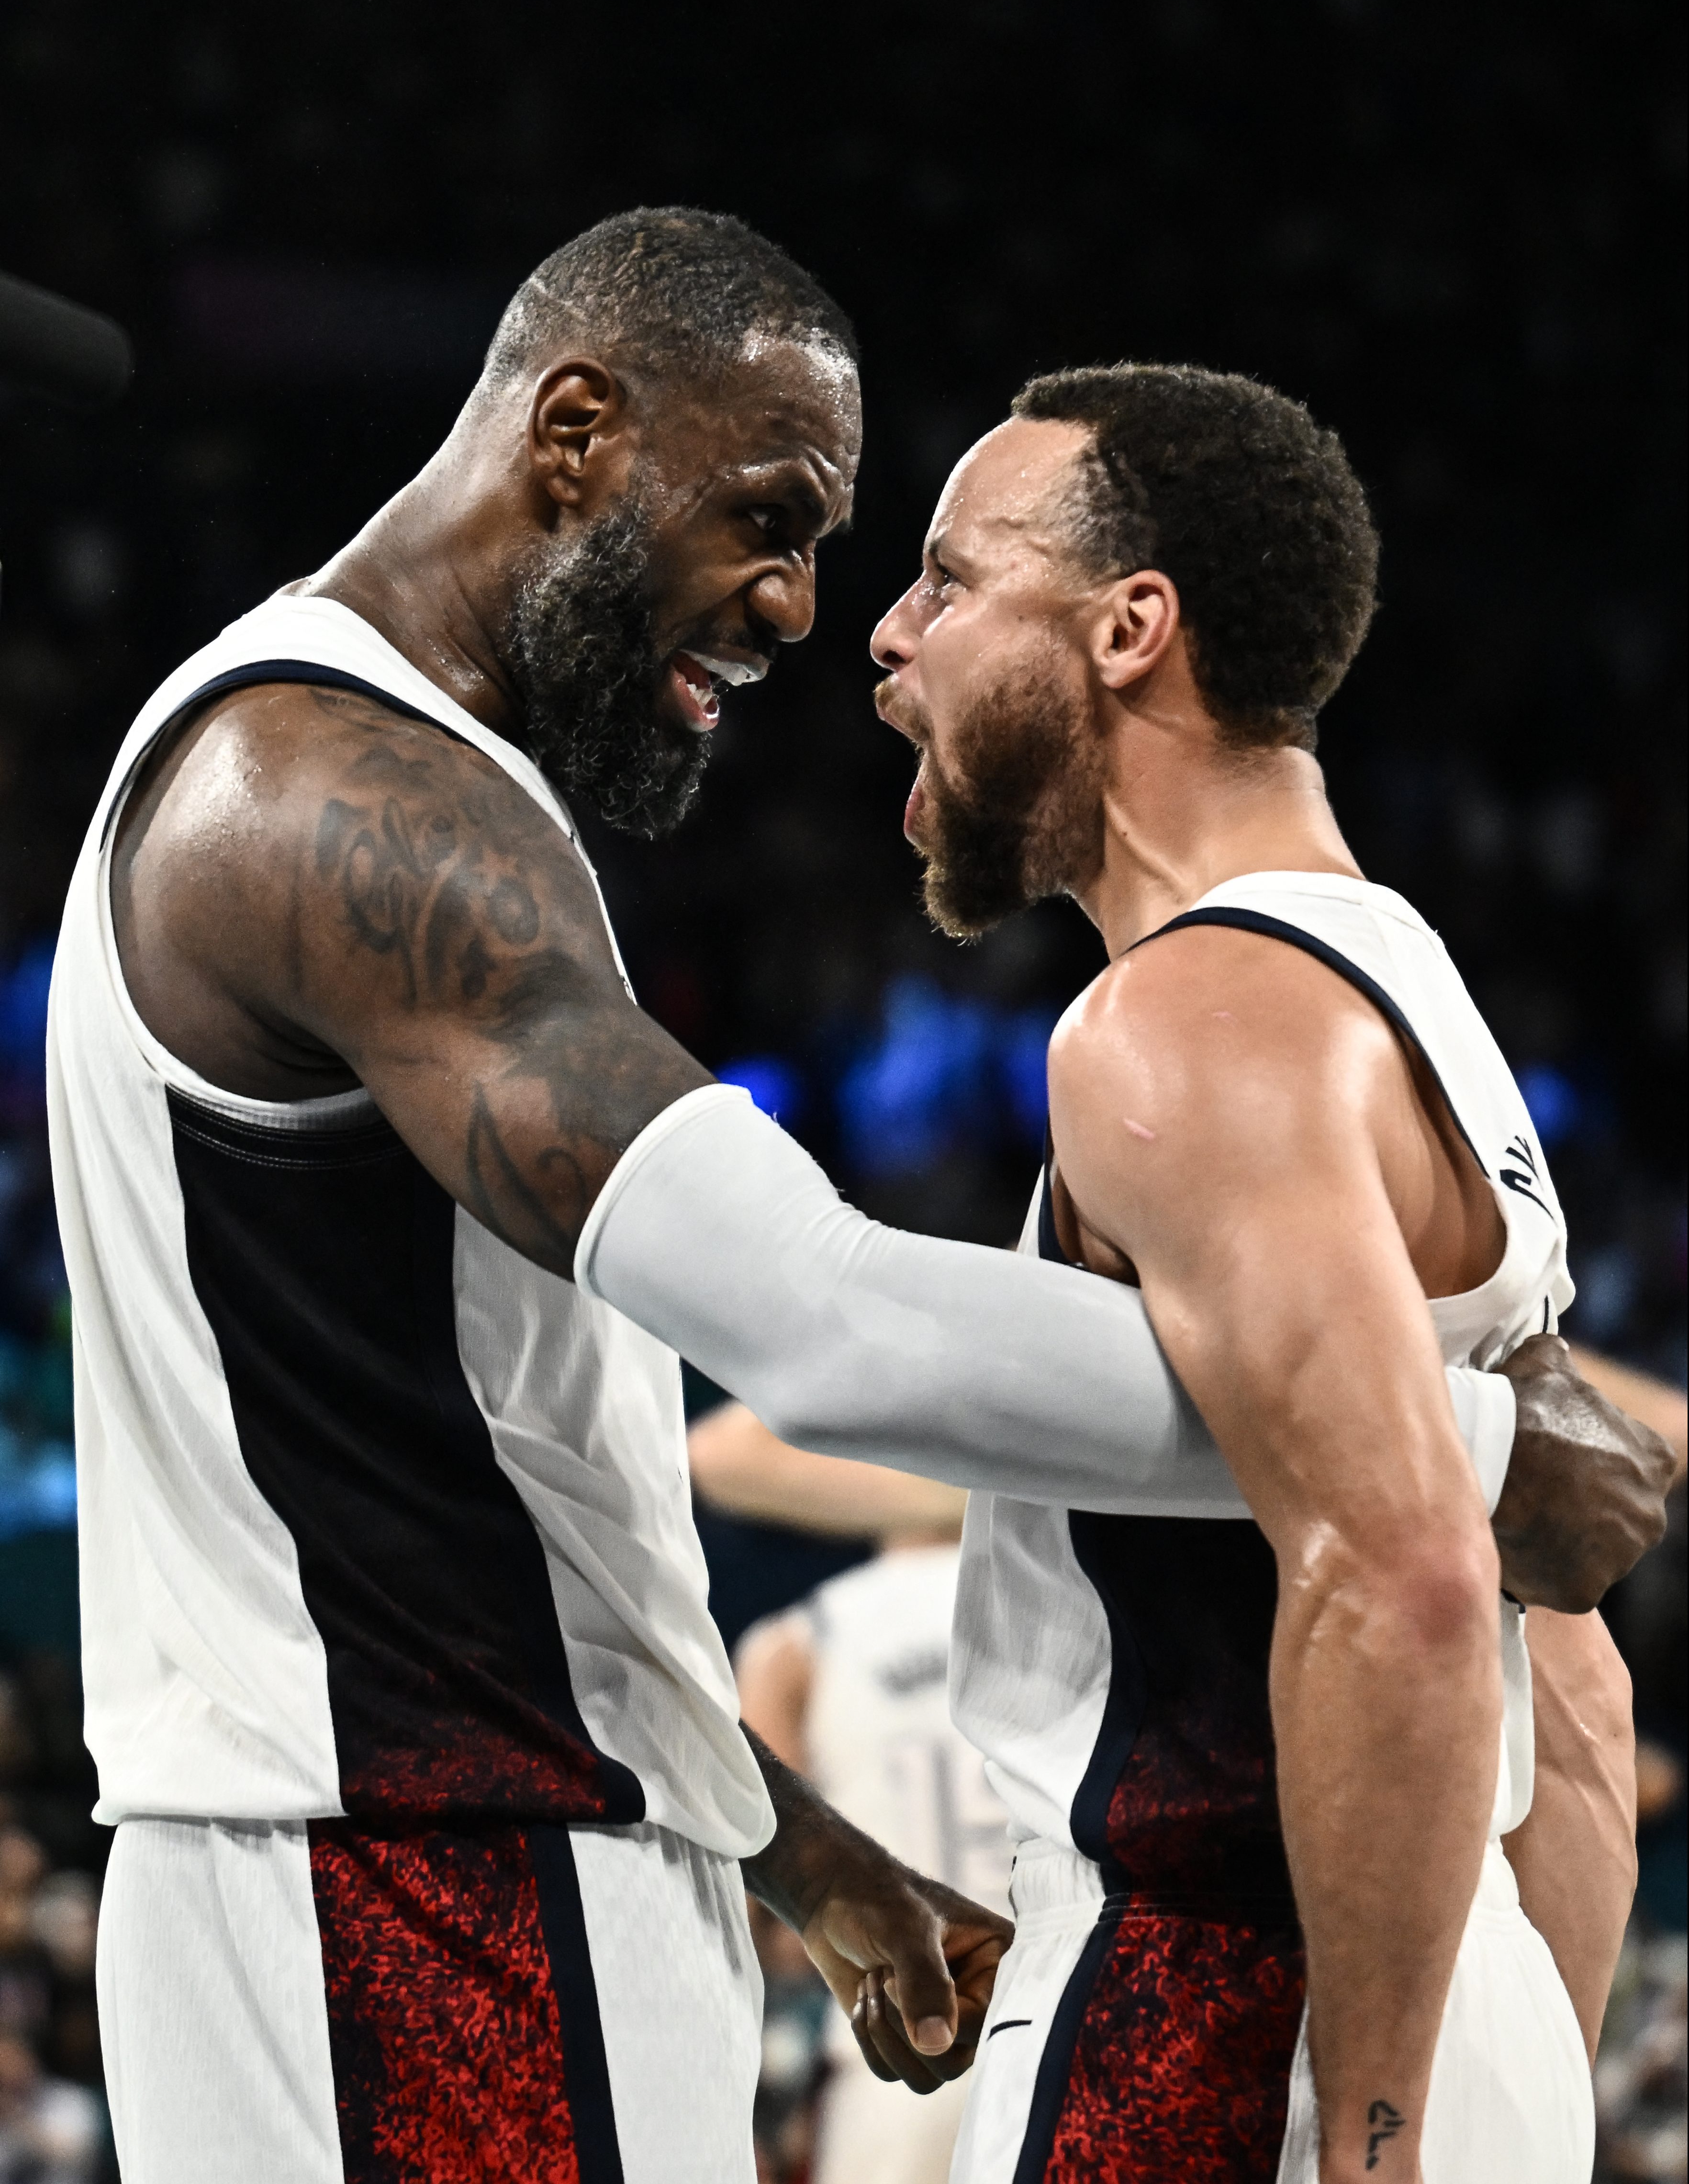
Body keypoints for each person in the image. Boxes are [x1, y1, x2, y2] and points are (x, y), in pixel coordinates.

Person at [46, 202, 1668, 2184]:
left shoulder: (444, 804)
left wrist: (783, 1838)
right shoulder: (328, 802)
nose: (820, 615)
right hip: (406, 1893)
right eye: (776, 518)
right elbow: (817, 1322)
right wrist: (1465, 1437)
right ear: (576, 438)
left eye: (883, 558)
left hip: (486, 1872)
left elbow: (517, 1486)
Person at [850, 364, 1642, 2182]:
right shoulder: (1402, 985)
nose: (890, 639)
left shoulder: (1186, 1022)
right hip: (1476, 1998)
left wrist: (1367, 2139)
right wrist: (1488, 2090)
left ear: (1132, 628)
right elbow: (1572, 1670)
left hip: (1222, 2021)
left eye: (950, 580)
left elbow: (1412, 1580)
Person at [704, 1405, 1008, 2184]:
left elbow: (755, 1911)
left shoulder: (798, 1642)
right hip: (1064, 2020)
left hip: (901, 2048)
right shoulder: (1080, 1622)